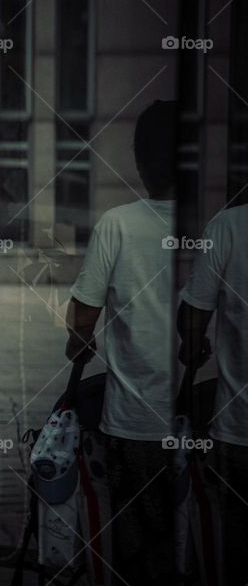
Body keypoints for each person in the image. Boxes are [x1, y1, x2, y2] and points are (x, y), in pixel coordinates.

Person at [62, 100, 178, 585]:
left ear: (140, 160)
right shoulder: (225, 223)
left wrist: (78, 344)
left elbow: (83, 317)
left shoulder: (119, 224)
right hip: (212, 410)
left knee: (133, 538)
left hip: (134, 418)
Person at [177, 202, 248, 586]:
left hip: (240, 432)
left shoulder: (229, 226)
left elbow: (193, 313)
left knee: (237, 544)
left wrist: (192, 344)